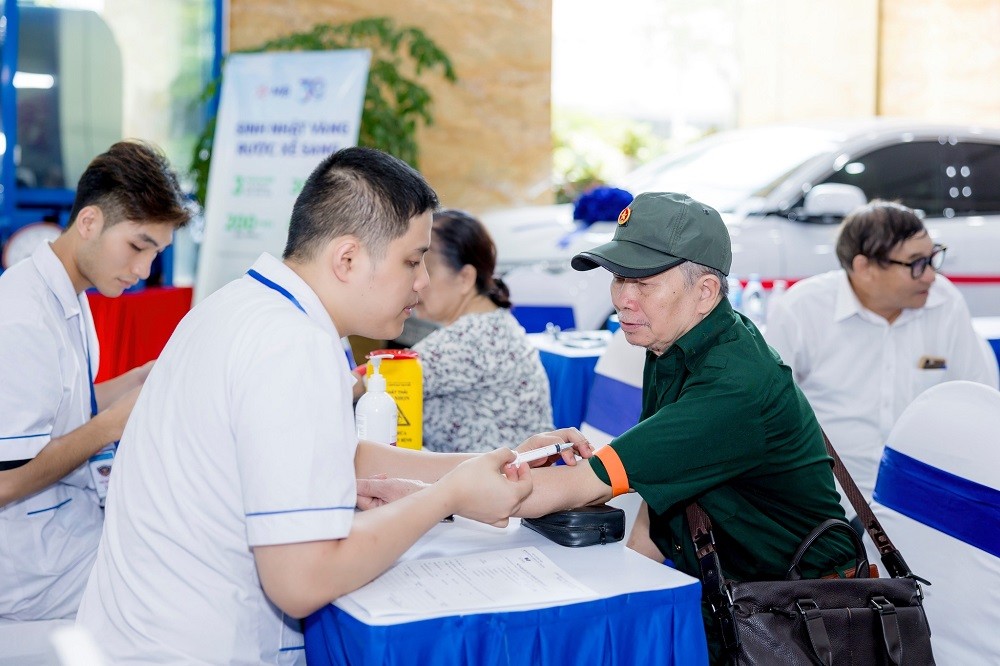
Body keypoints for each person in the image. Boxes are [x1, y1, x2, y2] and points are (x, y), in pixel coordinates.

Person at [75, 147, 585, 664]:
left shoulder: (239, 307)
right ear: (346, 258)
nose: (422, 282)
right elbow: (301, 579)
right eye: (412, 260)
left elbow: (335, 452)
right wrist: (446, 497)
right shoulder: (294, 346)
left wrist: (486, 464)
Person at [361, 192, 856, 663]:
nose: (623, 299)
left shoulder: (732, 385)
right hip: (726, 588)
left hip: (801, 616)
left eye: (643, 283)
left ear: (705, 292)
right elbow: (659, 491)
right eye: (618, 278)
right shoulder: (678, 341)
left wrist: (425, 497)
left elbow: (579, 486)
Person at [0, 140, 190, 624]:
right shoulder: (22, 317)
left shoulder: (71, 293)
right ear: (89, 222)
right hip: (34, 573)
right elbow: (6, 480)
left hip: (71, 528)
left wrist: (138, 380)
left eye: (156, 254)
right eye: (136, 247)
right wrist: (110, 426)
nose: (143, 271)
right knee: (189, 586)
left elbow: (63, 403)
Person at [765, 199, 999, 516]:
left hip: (924, 499)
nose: (930, 276)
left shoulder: (945, 303)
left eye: (933, 258)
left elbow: (979, 404)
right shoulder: (802, 310)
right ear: (865, 268)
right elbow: (768, 419)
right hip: (827, 503)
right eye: (916, 263)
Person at [412, 209, 553, 452]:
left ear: (465, 277)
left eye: (426, 271)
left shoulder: (471, 338)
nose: (417, 283)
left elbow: (364, 384)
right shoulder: (492, 324)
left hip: (500, 484)